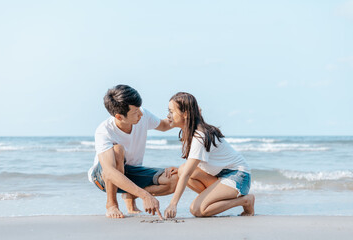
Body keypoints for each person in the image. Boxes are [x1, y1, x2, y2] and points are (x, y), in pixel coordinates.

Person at [88, 85, 178, 219]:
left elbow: (164, 125)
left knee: (174, 180)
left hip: (132, 171)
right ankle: (111, 204)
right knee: (118, 150)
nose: (141, 114)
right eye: (135, 111)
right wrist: (145, 196)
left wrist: (188, 117)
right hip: (103, 177)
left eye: (139, 109)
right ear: (119, 116)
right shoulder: (104, 131)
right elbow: (109, 171)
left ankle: (130, 194)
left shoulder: (143, 115)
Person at [164, 92, 255, 218]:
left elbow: (187, 174)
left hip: (238, 177)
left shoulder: (199, 136)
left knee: (197, 210)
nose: (168, 116)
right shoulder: (192, 130)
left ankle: (245, 200)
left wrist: (173, 204)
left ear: (185, 114)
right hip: (221, 175)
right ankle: (213, 200)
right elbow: (187, 171)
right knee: (182, 169)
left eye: (171, 111)